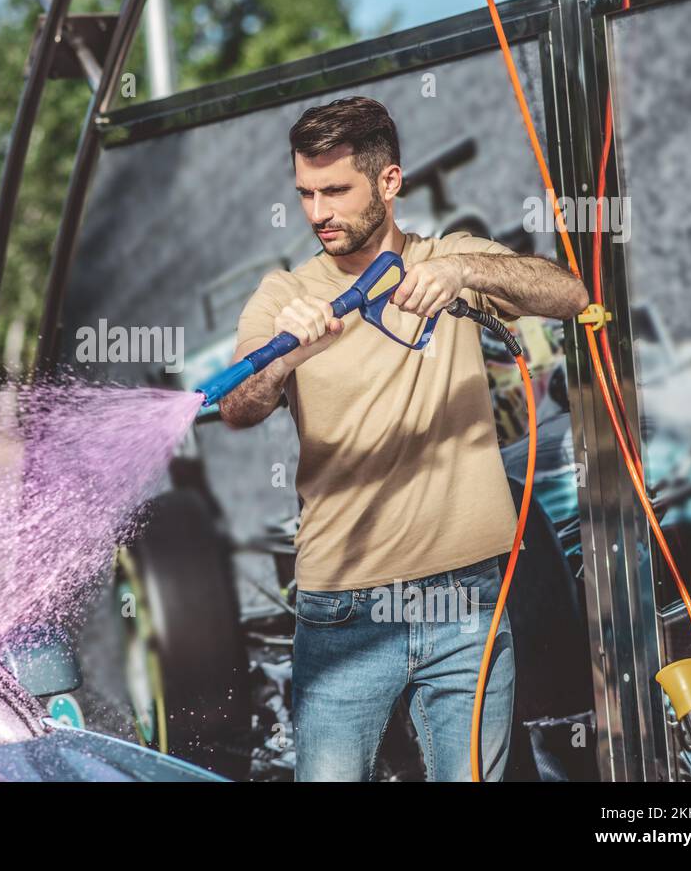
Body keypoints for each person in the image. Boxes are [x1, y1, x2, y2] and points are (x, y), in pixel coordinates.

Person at [220, 96, 589, 781]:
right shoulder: (283, 295)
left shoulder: (445, 262)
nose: (317, 212)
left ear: (390, 182)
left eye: (335, 190)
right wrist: (281, 358)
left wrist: (467, 273)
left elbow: (569, 292)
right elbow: (240, 407)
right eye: (304, 192)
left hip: (468, 605)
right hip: (344, 614)